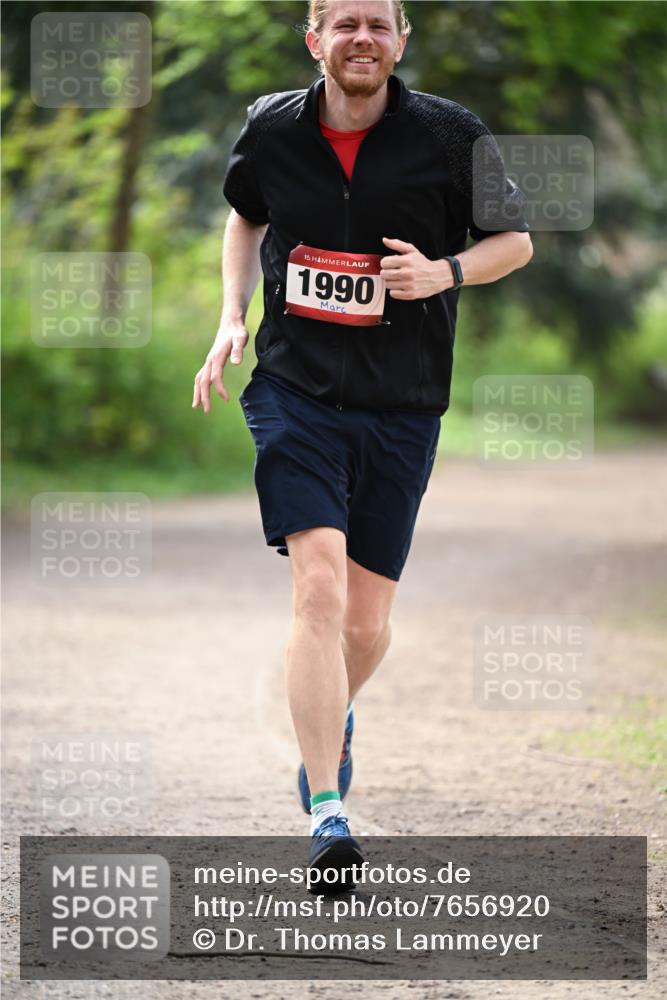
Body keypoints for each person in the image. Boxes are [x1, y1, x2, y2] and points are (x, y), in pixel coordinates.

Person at [193, 0, 533, 886]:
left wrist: (442, 272)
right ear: (315, 40)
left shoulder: (449, 135)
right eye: (343, 23)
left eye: (378, 24)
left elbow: (516, 242)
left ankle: (327, 715)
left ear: (400, 41)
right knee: (316, 584)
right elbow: (245, 216)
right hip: (294, 390)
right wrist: (231, 318)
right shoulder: (272, 126)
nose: (361, 39)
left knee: (366, 623)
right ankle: (327, 811)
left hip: (403, 402)